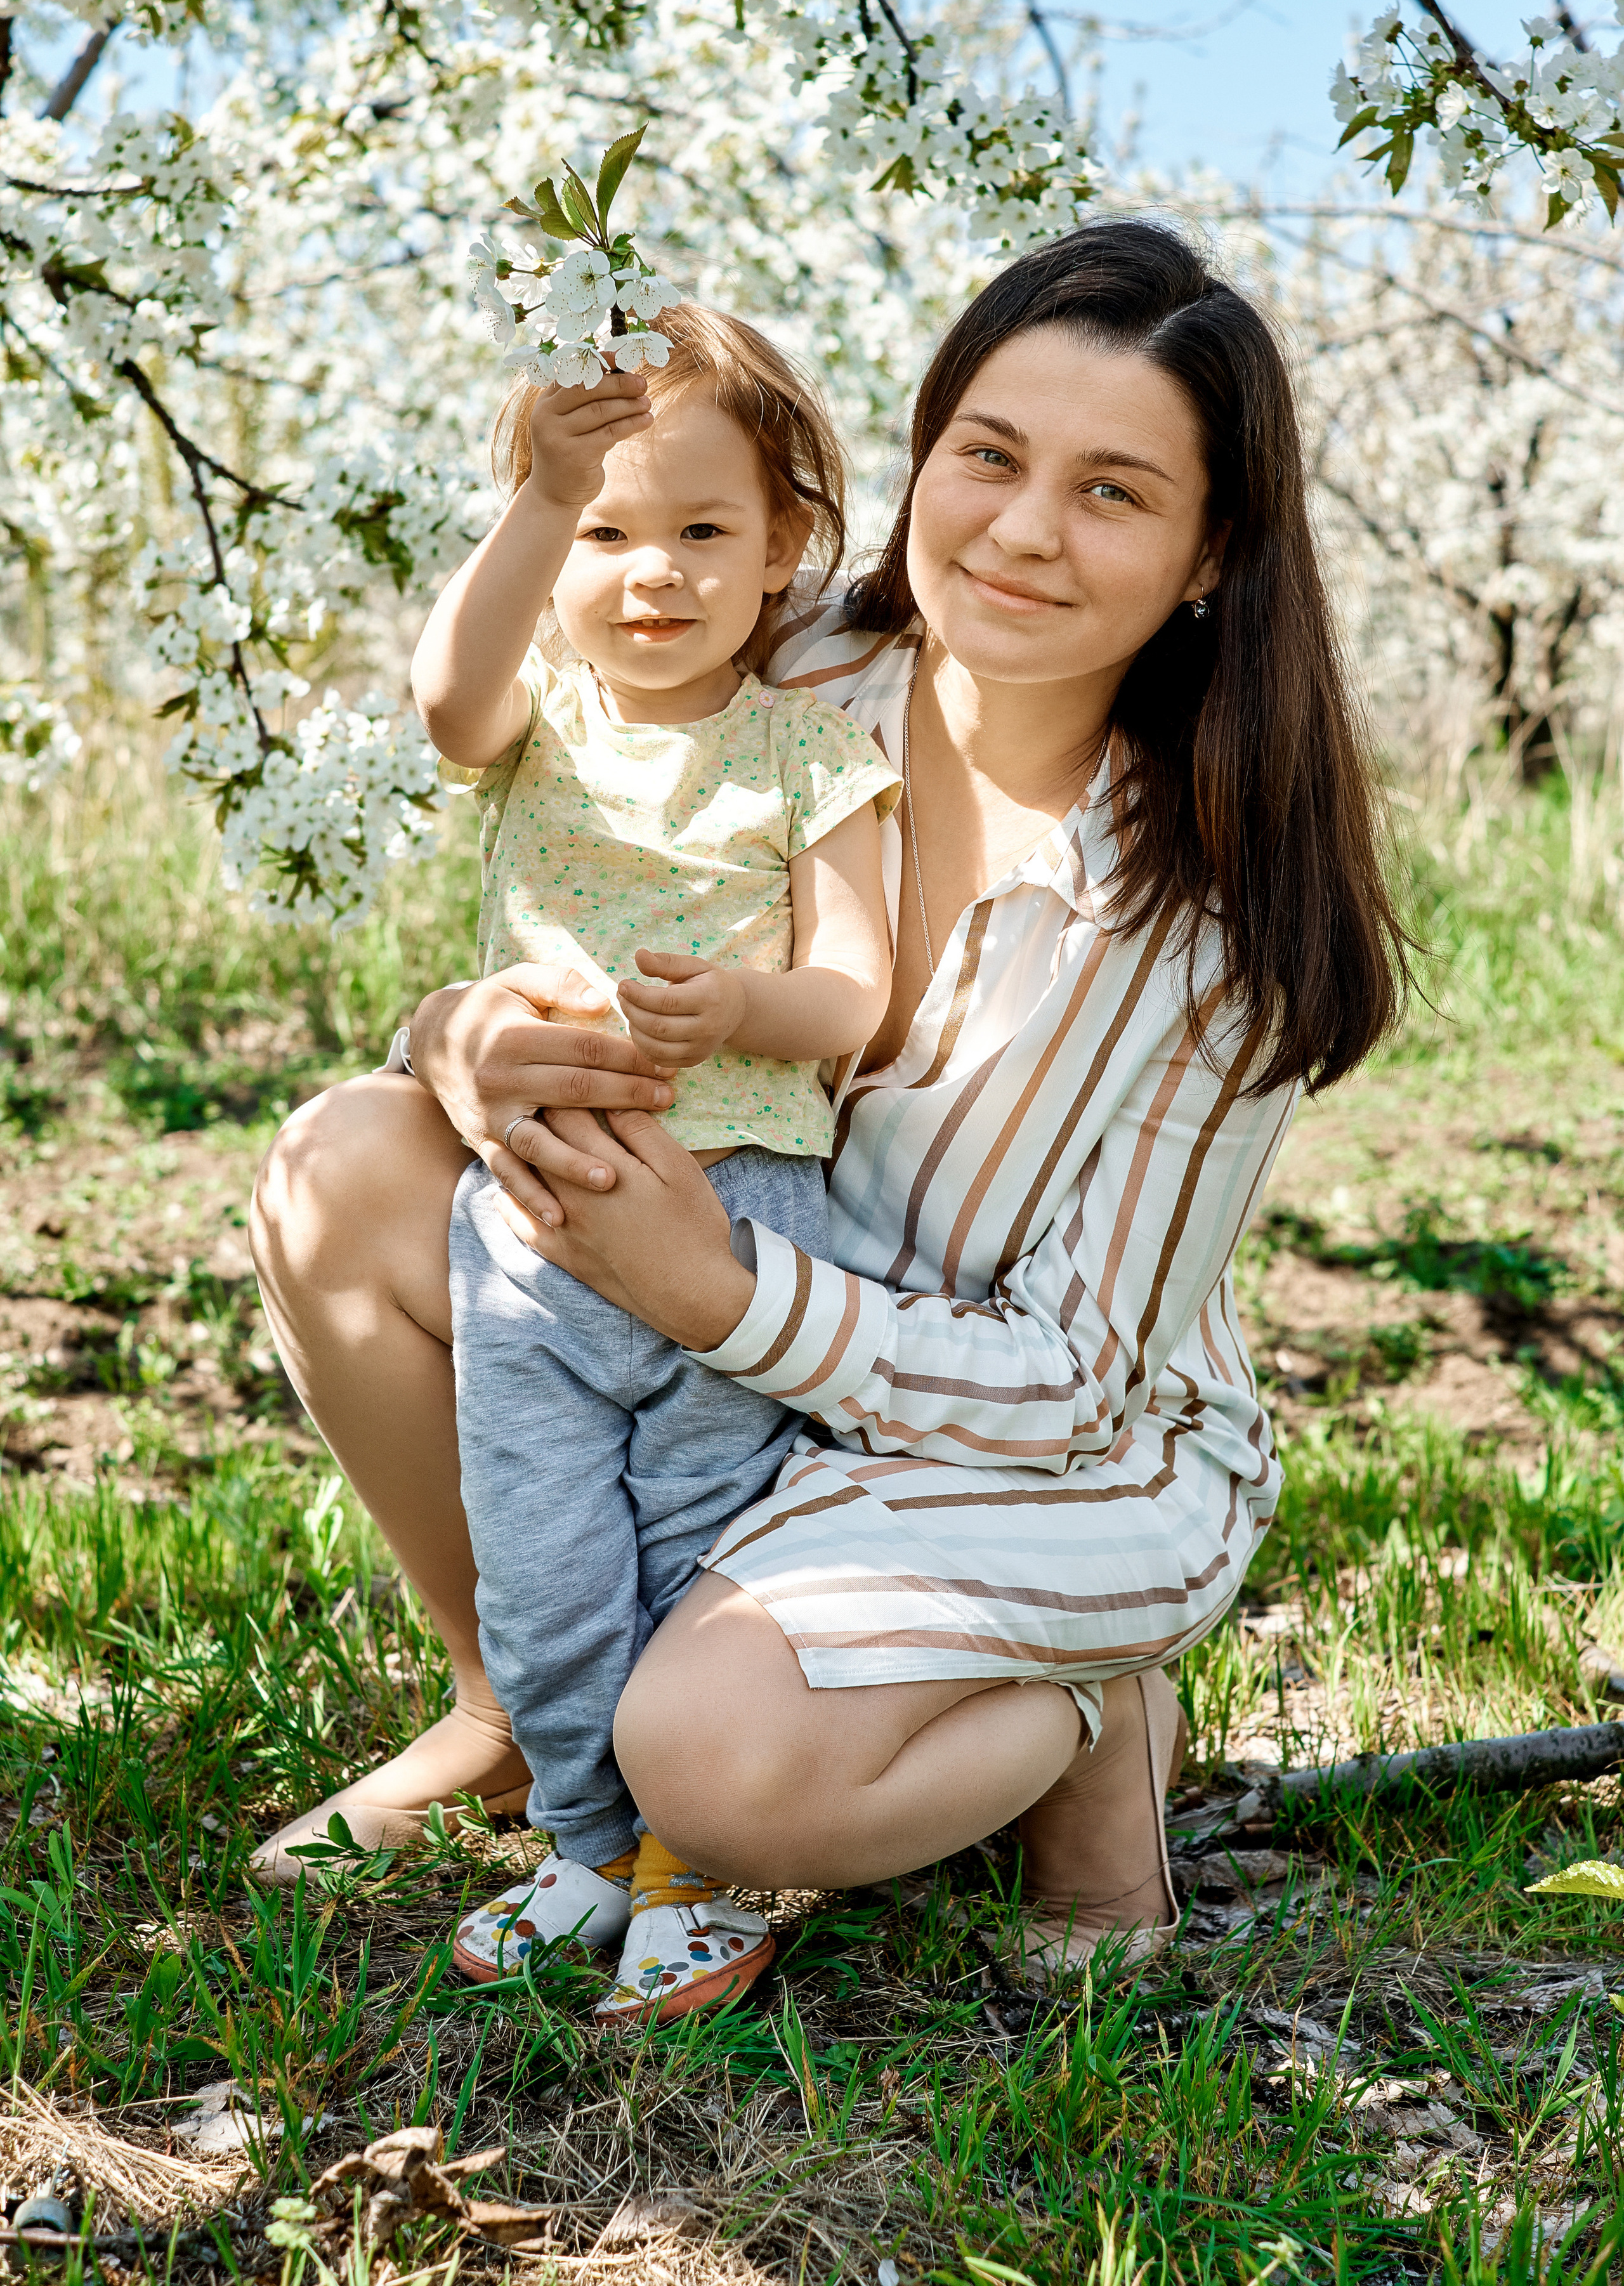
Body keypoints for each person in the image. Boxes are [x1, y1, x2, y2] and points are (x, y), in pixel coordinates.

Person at [251, 218, 1408, 2004]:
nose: (1022, 530)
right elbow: (517, 790)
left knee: (718, 1765)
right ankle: (505, 1707)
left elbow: (1080, 1374)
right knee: (343, 1165)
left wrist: (712, 1292)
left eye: (1113, 492)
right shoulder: (780, 672)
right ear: (922, 456)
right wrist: (458, 1038)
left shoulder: (1216, 933)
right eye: (990, 456)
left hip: (1019, 1431)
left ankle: (1083, 1703)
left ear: (1207, 557)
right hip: (715, 1316)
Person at [404, 304, 899, 2021]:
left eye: (703, 532)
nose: (652, 575)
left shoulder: (813, 750)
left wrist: (745, 1007)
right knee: (541, 1558)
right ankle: (585, 1847)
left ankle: (696, 1864)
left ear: (786, 552)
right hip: (532, 1228)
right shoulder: (539, 718)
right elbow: (444, 702)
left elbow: (853, 989)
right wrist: (535, 498)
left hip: (740, 1214)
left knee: (700, 1548)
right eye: (607, 533)